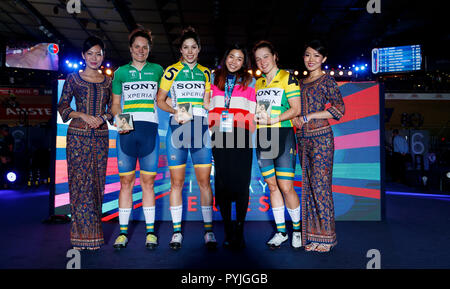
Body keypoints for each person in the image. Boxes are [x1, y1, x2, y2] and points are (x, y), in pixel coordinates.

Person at [156, 27, 217, 250]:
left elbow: (208, 101)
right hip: (178, 130)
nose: (190, 51)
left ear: (199, 49)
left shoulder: (206, 72)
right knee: (177, 183)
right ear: (180, 50)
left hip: (200, 129)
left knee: (204, 183)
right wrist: (175, 112)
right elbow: (160, 100)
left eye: (194, 47)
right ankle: (177, 233)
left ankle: (208, 232)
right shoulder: (171, 71)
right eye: (185, 48)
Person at [57, 36, 113, 250]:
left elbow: (114, 110)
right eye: (90, 53)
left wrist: (103, 118)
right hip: (77, 136)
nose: (94, 57)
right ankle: (79, 238)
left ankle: (95, 237)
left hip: (100, 136)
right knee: (80, 184)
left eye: (98, 53)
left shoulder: (109, 81)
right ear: (83, 55)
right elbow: (63, 107)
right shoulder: (73, 78)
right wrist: (82, 114)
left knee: (97, 184)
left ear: (103, 56)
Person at [111, 27, 164, 249]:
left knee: (148, 183)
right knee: (125, 183)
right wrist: (120, 121)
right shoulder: (120, 72)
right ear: (131, 49)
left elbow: (169, 96)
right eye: (137, 47)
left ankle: (150, 233)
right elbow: (115, 104)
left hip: (150, 130)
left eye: (144, 47)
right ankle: (123, 233)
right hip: (127, 132)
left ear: (149, 49)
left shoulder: (159, 70)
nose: (141, 50)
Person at [294, 40, 345, 253]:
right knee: (308, 188)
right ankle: (313, 237)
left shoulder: (327, 81)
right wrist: (297, 118)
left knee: (321, 188)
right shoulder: (299, 83)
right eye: (307, 55)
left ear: (323, 59)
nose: (311, 60)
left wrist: (310, 115)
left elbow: (339, 110)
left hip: (322, 139)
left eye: (316, 55)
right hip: (303, 140)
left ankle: (327, 238)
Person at [253, 40, 302, 249]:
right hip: (263, 137)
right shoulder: (259, 83)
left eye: (265, 56)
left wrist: (274, 120)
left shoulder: (287, 78)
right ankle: (281, 232)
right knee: (272, 186)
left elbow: (296, 109)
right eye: (257, 59)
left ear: (275, 56)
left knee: (286, 186)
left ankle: (297, 230)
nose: (262, 62)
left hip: (283, 135)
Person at [209, 44, 256, 249]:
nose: (234, 61)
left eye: (239, 58)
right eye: (231, 56)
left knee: (241, 184)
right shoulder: (213, 78)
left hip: (242, 135)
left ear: (244, 62)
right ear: (225, 58)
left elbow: (253, 110)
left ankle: (240, 230)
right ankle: (228, 231)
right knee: (222, 184)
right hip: (219, 135)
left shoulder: (250, 80)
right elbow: (208, 105)